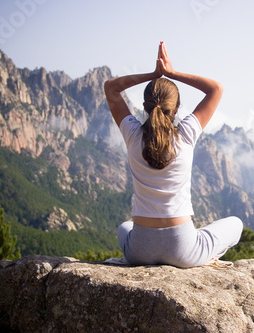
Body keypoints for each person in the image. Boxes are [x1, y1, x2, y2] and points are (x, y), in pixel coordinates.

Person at [104, 41, 243, 268]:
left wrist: (153, 74)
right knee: (235, 223)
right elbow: (216, 88)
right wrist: (171, 73)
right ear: (177, 107)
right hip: (183, 250)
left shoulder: (132, 133)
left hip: (139, 250)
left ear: (144, 106)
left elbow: (111, 87)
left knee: (124, 227)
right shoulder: (186, 134)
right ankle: (205, 256)